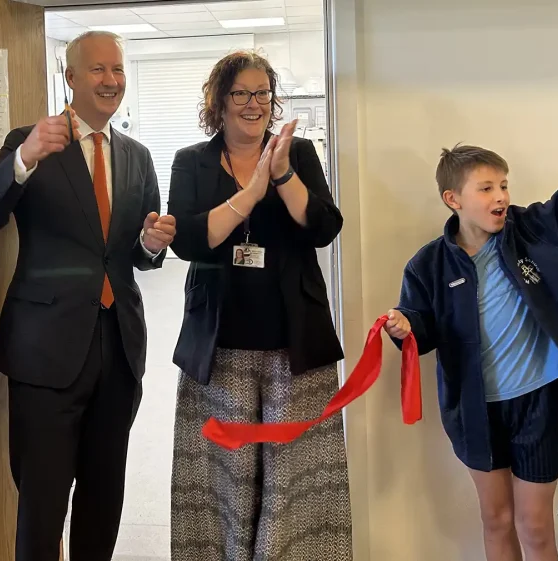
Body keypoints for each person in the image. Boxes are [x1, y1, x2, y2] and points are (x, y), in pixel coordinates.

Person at [383, 85, 558, 561]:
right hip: (474, 414)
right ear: (453, 199)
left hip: (535, 406)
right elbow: (422, 326)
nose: (501, 196)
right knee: (497, 521)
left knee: (534, 524)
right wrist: (405, 326)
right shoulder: (426, 266)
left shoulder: (536, 230)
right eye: (486, 188)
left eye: (504, 184)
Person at [0, 30, 176, 561]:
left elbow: (135, 255)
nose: (111, 81)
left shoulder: (137, 156)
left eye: (118, 70)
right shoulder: (32, 141)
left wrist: (151, 246)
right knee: (43, 503)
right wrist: (24, 157)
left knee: (104, 499)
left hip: (118, 350)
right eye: (98, 70)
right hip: (45, 353)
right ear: (71, 77)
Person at [166, 51, 351, 561]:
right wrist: (250, 193)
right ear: (220, 102)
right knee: (222, 482)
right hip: (219, 345)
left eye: (262, 94)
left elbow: (324, 228)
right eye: (241, 94)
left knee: (296, 483)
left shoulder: (300, 153)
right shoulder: (192, 161)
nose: (253, 105)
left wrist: (285, 173)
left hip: (295, 343)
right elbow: (190, 241)